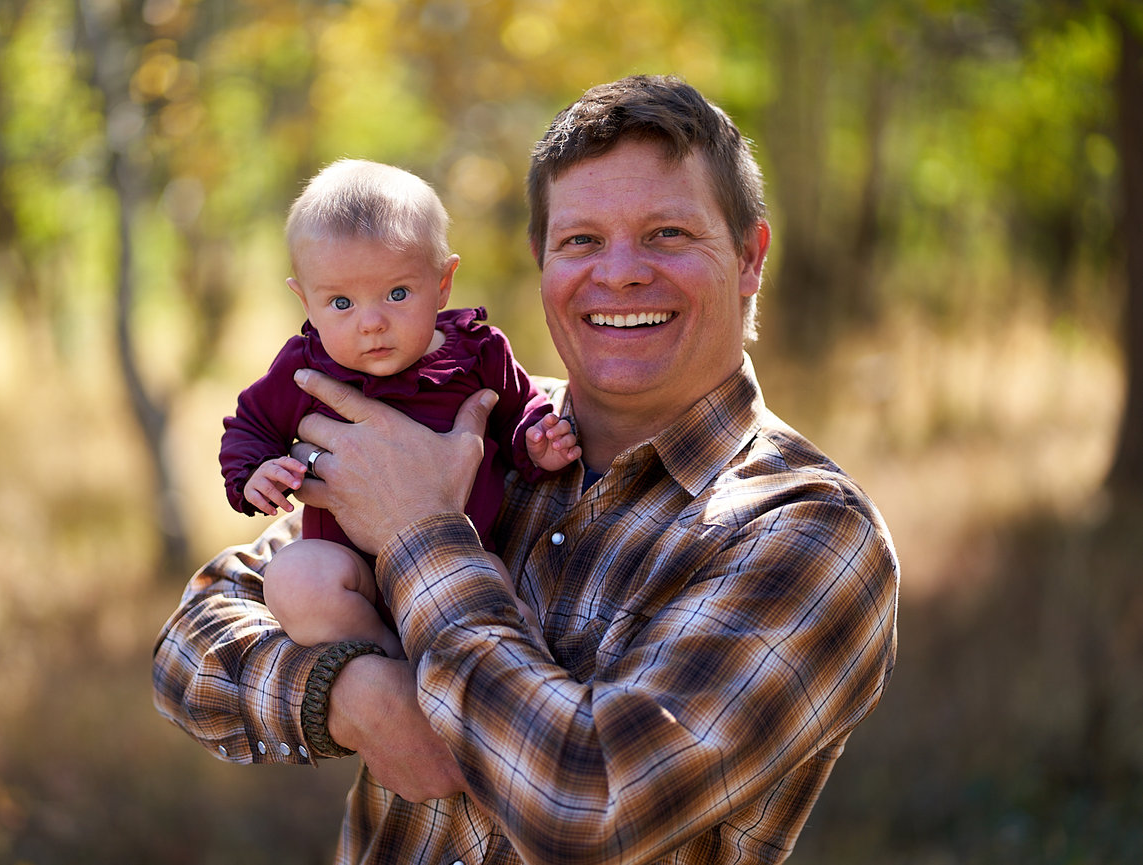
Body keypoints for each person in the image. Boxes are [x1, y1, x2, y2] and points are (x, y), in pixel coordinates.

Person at [155, 74, 899, 865]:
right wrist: (355, 694)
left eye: (667, 234)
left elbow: (587, 808)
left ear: (748, 258)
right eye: (581, 240)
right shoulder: (469, 426)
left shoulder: (808, 531)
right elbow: (190, 647)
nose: (620, 273)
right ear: (541, 260)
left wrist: (419, 532)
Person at [220, 158, 576, 657]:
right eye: (341, 303)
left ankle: (484, 676)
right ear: (306, 302)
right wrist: (254, 474)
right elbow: (252, 424)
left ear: (443, 283)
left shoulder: (479, 354)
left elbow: (521, 410)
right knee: (293, 578)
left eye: (397, 293)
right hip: (347, 567)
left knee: (499, 590)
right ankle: (387, 660)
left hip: (456, 559)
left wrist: (538, 442)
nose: (372, 322)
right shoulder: (305, 368)